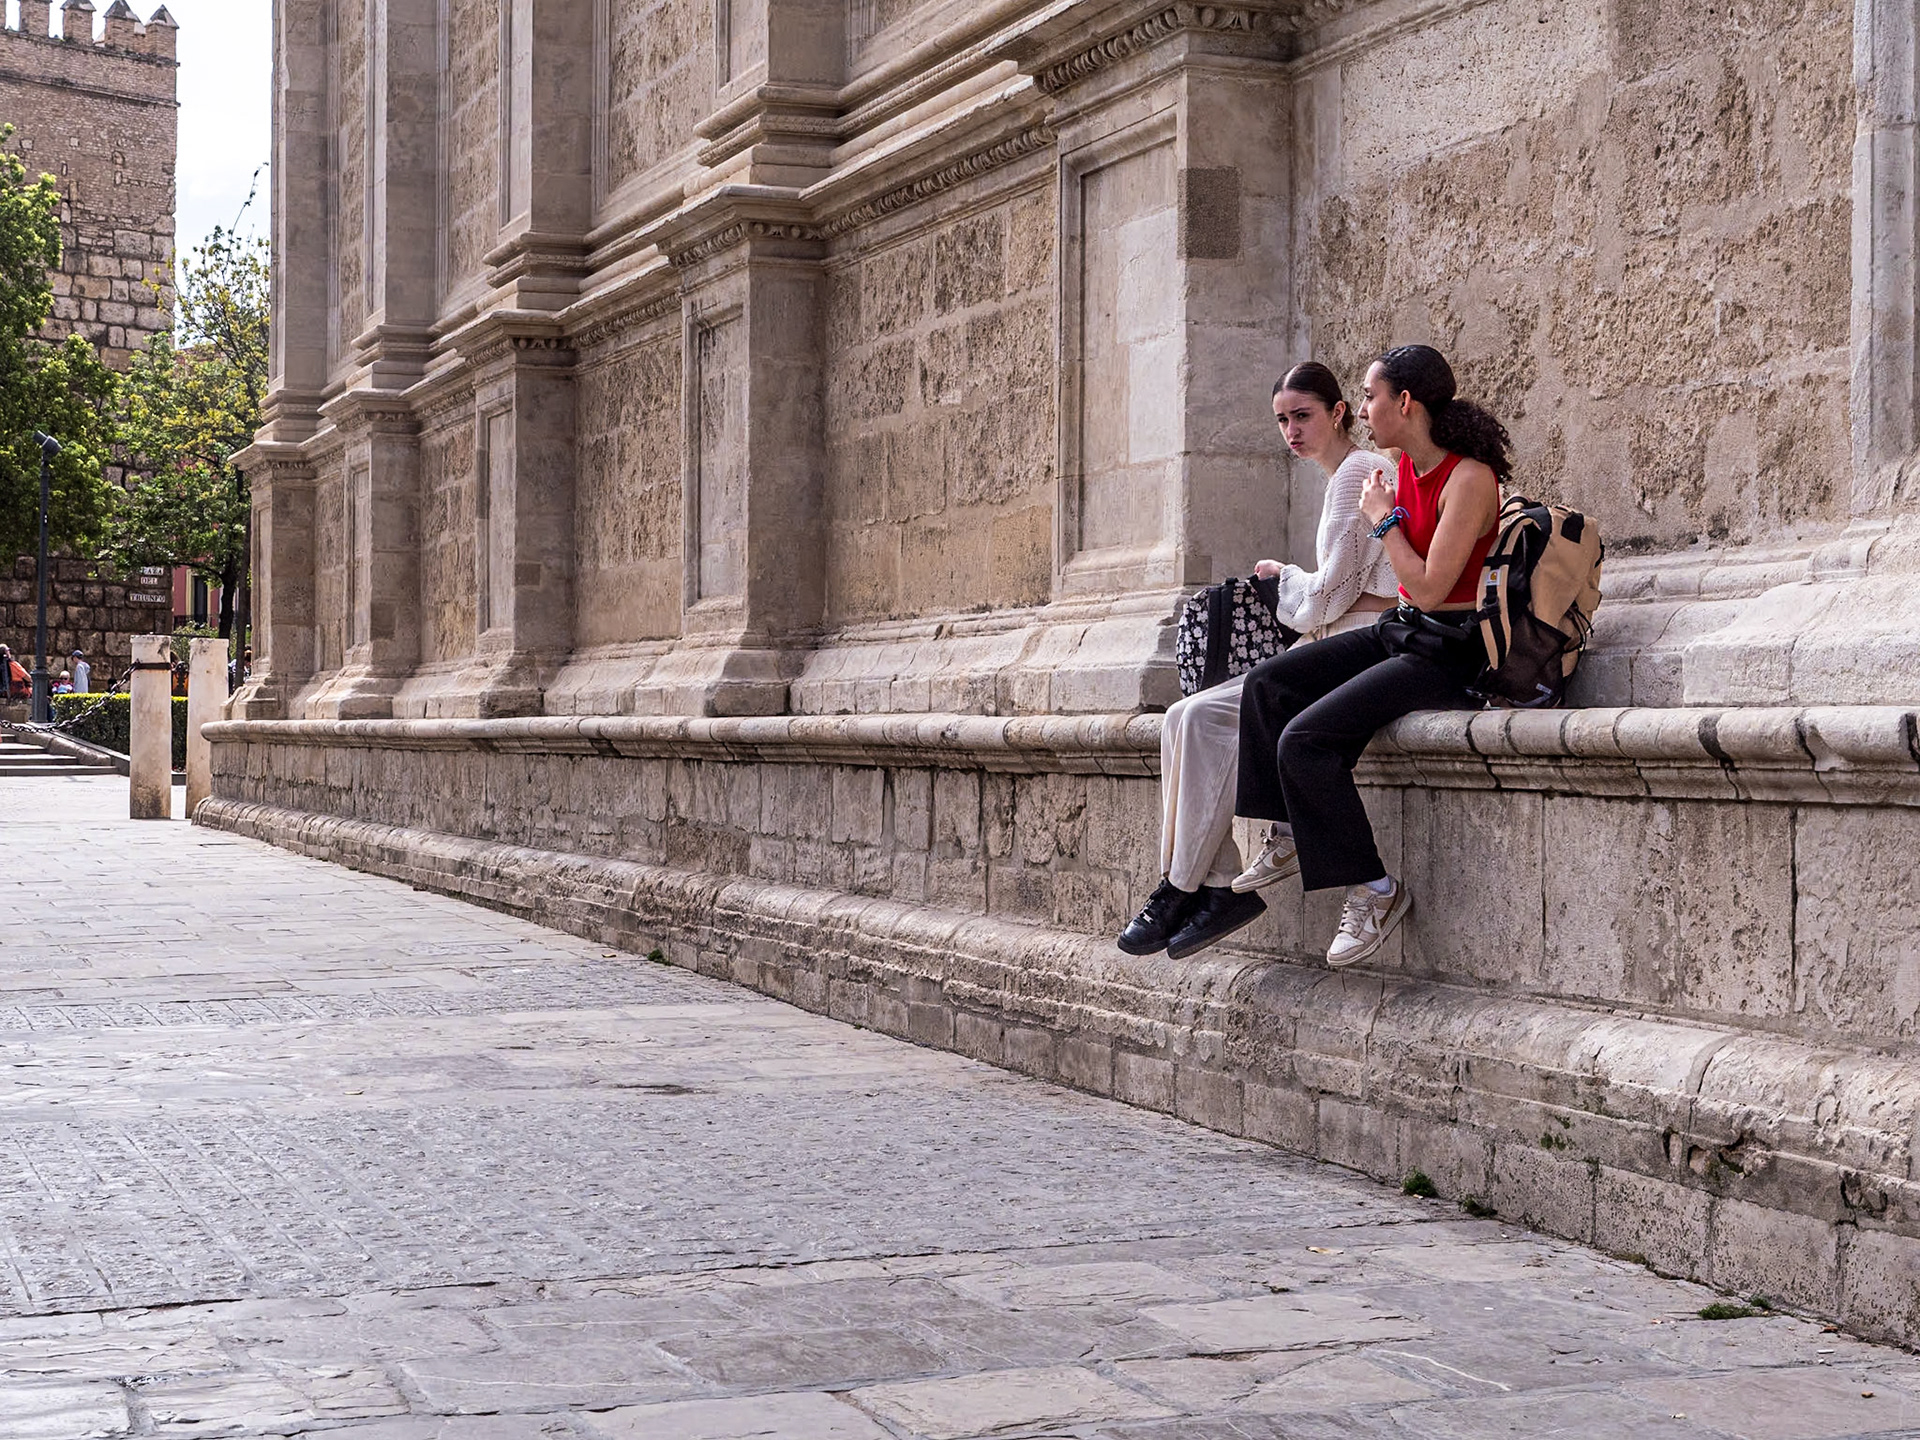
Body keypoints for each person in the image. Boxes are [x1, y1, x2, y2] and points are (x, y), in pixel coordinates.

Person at [1232, 344, 1507, 967]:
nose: (1362, 407)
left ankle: (1377, 891)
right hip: (1406, 630)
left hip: (1453, 651)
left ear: (1403, 403)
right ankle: (1289, 832)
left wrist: (1384, 521)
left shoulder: (1469, 478)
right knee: (1268, 684)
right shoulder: (1403, 469)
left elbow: (1434, 587)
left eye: (1369, 395)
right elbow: (1404, 589)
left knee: (1305, 741)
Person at [1116, 362, 1399, 961]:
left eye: (1303, 416)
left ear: (1339, 412)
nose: (1291, 431)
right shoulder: (1345, 477)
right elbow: (1340, 588)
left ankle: (1183, 888)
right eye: (1281, 420)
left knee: (1200, 717)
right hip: (1331, 641)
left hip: (1353, 645)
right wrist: (1306, 585)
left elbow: (1328, 597)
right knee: (1180, 717)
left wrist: (1285, 581)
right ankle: (1208, 885)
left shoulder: (1358, 474)